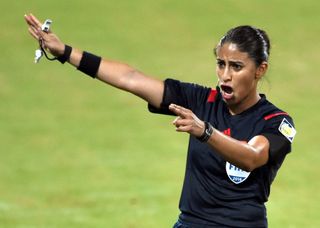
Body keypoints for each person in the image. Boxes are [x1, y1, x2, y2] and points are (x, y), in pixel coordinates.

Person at [24, 14, 296, 227]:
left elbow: (251, 157)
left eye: (236, 66)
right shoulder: (201, 101)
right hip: (189, 223)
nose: (225, 75)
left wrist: (204, 131)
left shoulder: (275, 121)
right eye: (220, 63)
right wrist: (65, 52)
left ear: (260, 70)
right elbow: (130, 78)